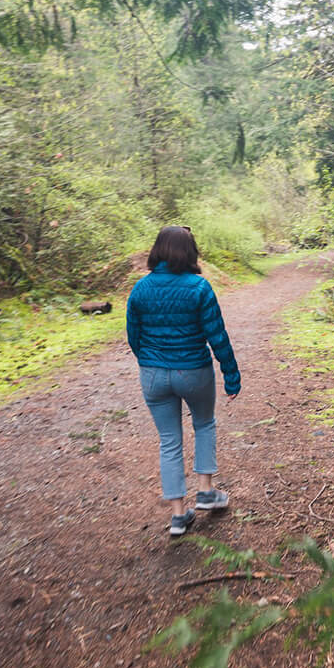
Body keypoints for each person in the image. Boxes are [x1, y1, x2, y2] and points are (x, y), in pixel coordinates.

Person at [126, 226, 241, 537]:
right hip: (193, 371)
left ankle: (178, 516)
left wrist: (151, 361)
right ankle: (206, 490)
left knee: (169, 441)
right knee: (203, 424)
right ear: (190, 252)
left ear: (157, 251)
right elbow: (217, 336)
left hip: (153, 374)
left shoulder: (140, 289)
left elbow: (133, 337)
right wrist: (231, 376)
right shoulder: (199, 288)